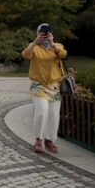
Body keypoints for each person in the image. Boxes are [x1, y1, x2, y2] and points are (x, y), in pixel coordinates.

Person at [22, 23, 67, 154]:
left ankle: (50, 140)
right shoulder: (34, 47)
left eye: (48, 34)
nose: (45, 36)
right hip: (38, 85)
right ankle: (38, 139)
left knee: (53, 114)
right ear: (37, 34)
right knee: (42, 111)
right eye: (42, 33)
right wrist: (36, 42)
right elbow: (25, 55)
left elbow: (64, 54)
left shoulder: (57, 46)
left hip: (54, 85)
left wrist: (53, 44)